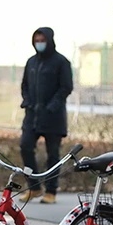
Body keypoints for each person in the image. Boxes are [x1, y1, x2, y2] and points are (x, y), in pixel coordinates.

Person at [19, 27, 73, 204]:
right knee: (25, 146)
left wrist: (52, 106)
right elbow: (25, 85)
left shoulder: (61, 62)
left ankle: (51, 191)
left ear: (49, 40)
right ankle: (34, 187)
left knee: (53, 155)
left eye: (42, 40)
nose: (39, 43)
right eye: (36, 40)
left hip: (53, 117)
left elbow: (66, 87)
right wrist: (26, 101)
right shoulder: (31, 62)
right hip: (32, 115)